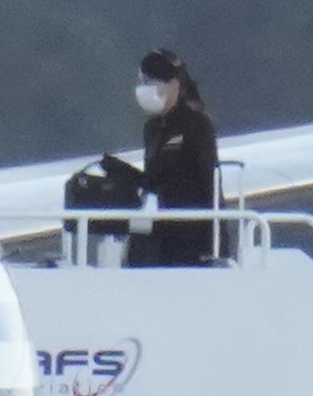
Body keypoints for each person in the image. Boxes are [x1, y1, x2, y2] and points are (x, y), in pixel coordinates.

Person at [62, 47, 225, 266]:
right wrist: (121, 171)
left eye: (151, 81)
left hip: (192, 232)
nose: (144, 88)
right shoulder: (153, 128)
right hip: (162, 227)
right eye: (141, 81)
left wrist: (220, 242)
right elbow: (154, 181)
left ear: (174, 84)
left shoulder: (196, 125)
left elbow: (210, 183)